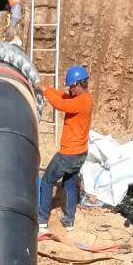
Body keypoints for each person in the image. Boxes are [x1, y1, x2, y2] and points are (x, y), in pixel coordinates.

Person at [38, 64, 93, 230]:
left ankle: (42, 220)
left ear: (77, 85)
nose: (69, 90)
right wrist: (45, 88)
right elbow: (62, 96)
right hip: (80, 153)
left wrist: (45, 92)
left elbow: (61, 104)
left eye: (71, 87)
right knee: (69, 184)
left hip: (68, 154)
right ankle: (69, 221)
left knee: (47, 181)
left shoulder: (80, 103)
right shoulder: (85, 98)